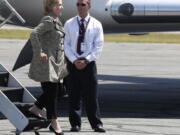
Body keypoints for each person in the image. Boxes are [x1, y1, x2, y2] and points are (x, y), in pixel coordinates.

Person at [64, 0, 106, 132]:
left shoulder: (96, 24)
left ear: (89, 6)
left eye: (83, 4)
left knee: (91, 96)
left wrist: (86, 60)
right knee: (73, 95)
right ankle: (75, 124)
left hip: (88, 65)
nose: (80, 7)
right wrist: (74, 60)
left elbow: (98, 46)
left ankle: (96, 124)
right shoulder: (69, 23)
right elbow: (66, 44)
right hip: (73, 64)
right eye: (78, 4)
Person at [28, 0, 68, 134]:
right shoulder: (48, 20)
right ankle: (54, 122)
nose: (60, 7)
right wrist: (39, 51)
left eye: (61, 4)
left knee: (57, 92)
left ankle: (36, 108)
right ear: (50, 6)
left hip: (56, 64)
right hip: (46, 63)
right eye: (57, 5)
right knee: (52, 93)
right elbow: (34, 34)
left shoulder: (57, 20)